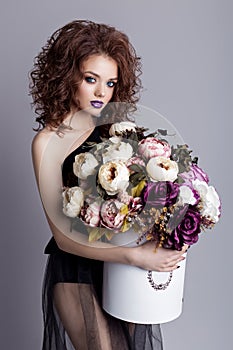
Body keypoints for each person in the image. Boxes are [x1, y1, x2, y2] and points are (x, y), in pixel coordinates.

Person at [30, 20, 186, 350]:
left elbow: (153, 197)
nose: (102, 92)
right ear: (67, 75)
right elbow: (62, 237)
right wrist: (135, 258)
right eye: (91, 79)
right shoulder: (46, 143)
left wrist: (176, 229)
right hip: (76, 270)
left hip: (122, 267)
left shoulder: (120, 132)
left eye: (111, 82)